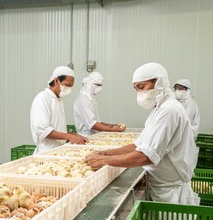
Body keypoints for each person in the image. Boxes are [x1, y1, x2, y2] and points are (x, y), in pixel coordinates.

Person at [85, 62, 200, 205]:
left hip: (171, 193)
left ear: (159, 82)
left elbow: (145, 156)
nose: (139, 93)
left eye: (141, 87)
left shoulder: (169, 110)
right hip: (161, 186)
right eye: (136, 89)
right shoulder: (159, 109)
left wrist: (104, 161)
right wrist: (106, 153)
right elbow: (139, 145)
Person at [30, 66, 88, 154]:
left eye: (71, 86)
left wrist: (74, 135)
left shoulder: (58, 100)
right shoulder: (42, 98)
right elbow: (42, 130)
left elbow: (56, 128)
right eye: (67, 85)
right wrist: (69, 137)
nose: (69, 90)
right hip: (46, 152)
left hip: (59, 150)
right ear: (56, 81)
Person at [73, 71, 126, 136]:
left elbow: (97, 122)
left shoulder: (90, 98)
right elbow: (92, 124)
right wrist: (113, 130)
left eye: (100, 85)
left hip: (94, 135)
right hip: (86, 136)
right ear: (89, 84)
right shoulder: (83, 98)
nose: (100, 88)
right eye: (97, 85)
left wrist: (112, 126)